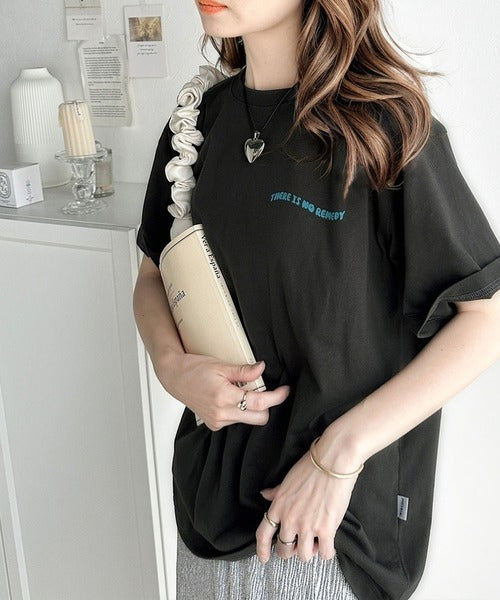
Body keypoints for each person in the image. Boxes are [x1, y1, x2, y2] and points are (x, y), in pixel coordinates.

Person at [133, 1, 500, 598]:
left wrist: (339, 454)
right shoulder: (197, 123)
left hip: (325, 533)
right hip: (209, 510)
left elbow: (485, 318)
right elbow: (153, 274)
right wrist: (173, 369)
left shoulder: (384, 127)